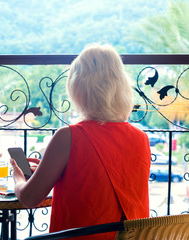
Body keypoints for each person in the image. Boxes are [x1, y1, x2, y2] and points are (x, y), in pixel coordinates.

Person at [10, 43, 151, 239]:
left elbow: (30, 198)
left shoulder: (68, 136)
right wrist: (56, 171)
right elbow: (105, 183)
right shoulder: (141, 138)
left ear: (78, 87)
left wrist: (18, 178)